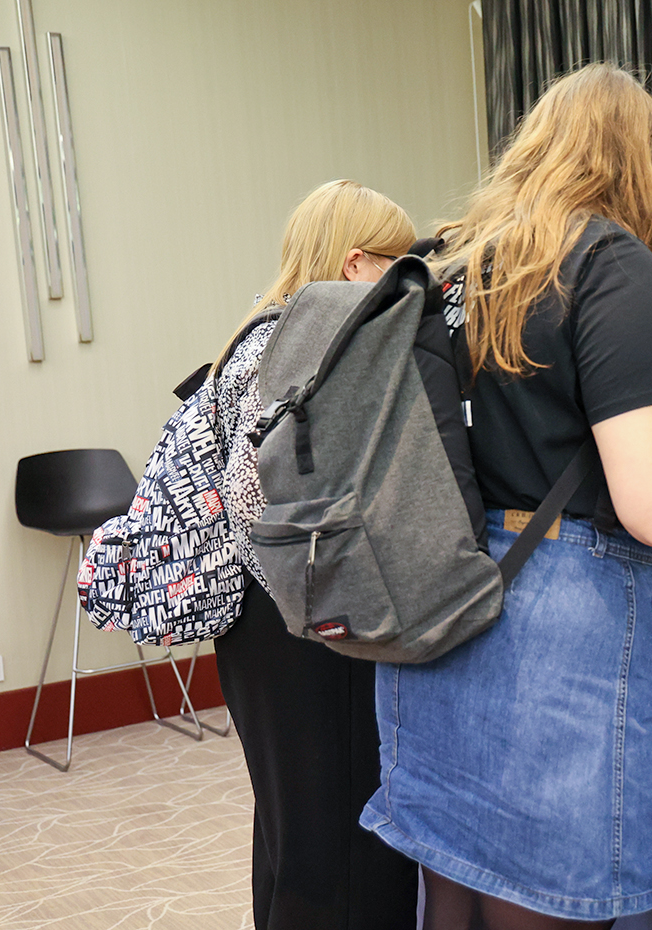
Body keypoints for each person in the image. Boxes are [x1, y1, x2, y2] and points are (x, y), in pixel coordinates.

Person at [358, 63, 652, 930]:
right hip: (553, 618)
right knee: (545, 897)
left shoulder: (449, 267)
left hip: (435, 596)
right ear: (643, 165)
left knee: (456, 881)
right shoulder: (604, 261)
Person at [210, 179, 421, 930]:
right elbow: (253, 493)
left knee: (292, 834)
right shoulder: (314, 344)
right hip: (307, 614)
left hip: (259, 620)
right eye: (401, 263)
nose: (411, 282)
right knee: (343, 844)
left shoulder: (255, 334)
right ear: (356, 262)